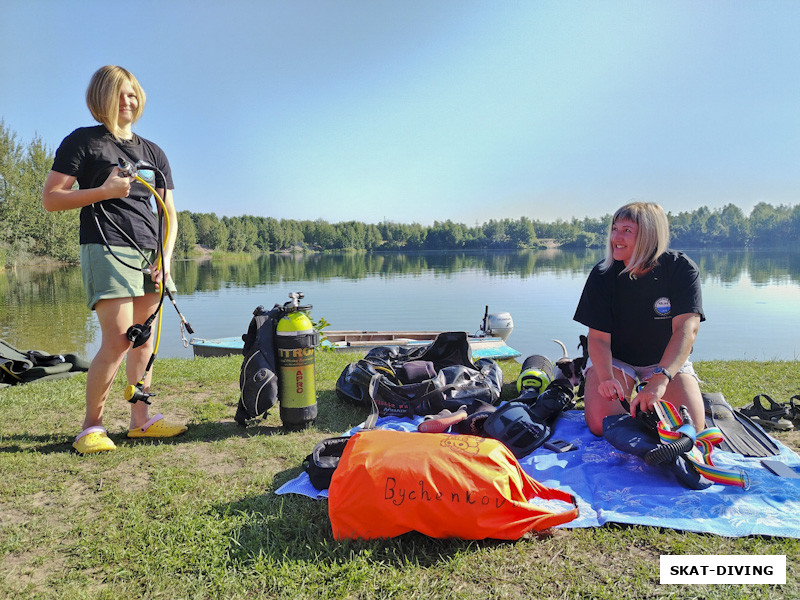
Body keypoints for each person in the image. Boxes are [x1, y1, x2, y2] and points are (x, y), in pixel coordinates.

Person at [42, 65, 187, 454]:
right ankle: (91, 426)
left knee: (142, 342)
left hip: (150, 255)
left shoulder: (154, 151)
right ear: (103, 96)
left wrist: (167, 258)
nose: (130, 99)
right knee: (120, 340)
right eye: (121, 92)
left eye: (134, 92)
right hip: (106, 247)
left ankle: (141, 422)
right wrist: (104, 191)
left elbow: (169, 213)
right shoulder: (83, 142)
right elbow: (52, 198)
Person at [573, 202, 706, 436]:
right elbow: (598, 338)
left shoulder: (681, 269)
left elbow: (687, 331)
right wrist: (605, 378)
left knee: (691, 427)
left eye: (626, 230)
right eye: (614, 229)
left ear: (650, 236)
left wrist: (660, 379)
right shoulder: (602, 274)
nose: (616, 237)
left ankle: (669, 397)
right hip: (617, 359)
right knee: (601, 424)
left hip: (664, 361)